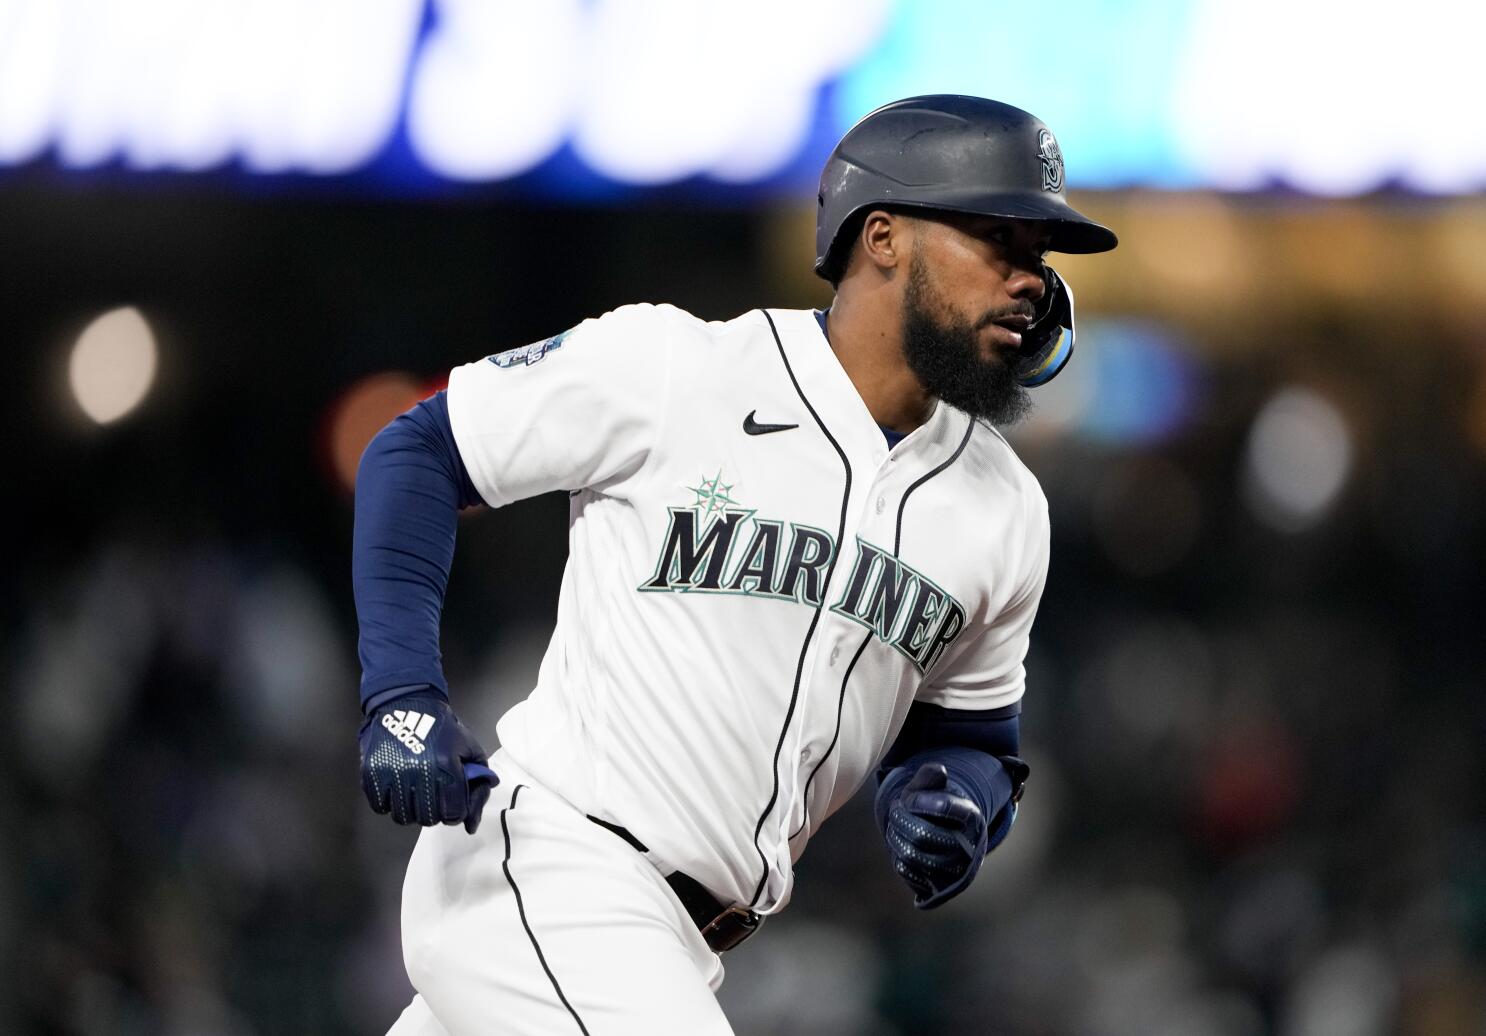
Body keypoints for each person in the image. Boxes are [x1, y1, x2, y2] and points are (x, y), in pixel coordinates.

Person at [353, 94, 1117, 1035]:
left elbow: (974, 737)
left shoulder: (1004, 508)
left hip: (677, 941)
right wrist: (400, 692)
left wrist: (956, 796)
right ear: (883, 238)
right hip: (554, 867)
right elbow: (418, 451)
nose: (1031, 278)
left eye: (1039, 254)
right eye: (998, 237)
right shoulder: (679, 367)